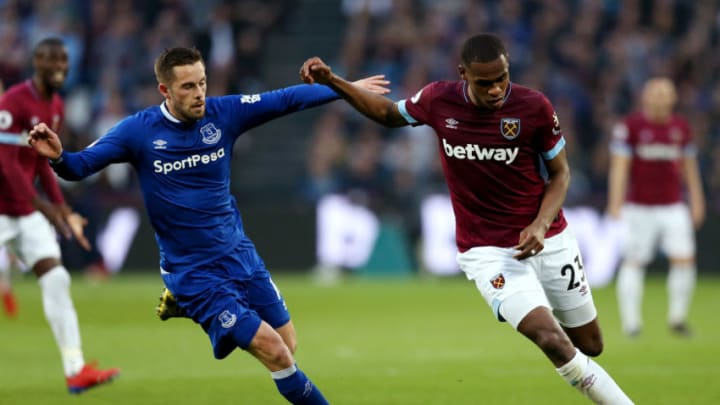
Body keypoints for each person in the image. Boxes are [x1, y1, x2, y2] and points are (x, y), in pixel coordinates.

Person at [29, 45, 389, 404]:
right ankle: (187, 299)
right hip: (194, 273)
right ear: (165, 91)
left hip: (238, 254)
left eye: (202, 83)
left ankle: (183, 306)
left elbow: (286, 99)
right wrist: (59, 157)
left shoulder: (223, 114)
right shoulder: (138, 132)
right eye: (187, 87)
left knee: (288, 345)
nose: (199, 93)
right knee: (276, 353)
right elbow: (80, 167)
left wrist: (346, 87)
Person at [300, 33, 634, 404]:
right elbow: (386, 113)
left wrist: (540, 224)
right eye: (485, 83)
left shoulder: (534, 107)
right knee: (550, 339)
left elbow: (560, 174)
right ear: (463, 74)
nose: (495, 90)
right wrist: (333, 80)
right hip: (487, 250)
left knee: (591, 344)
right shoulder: (437, 100)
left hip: (549, 238)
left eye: (501, 79)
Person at [0, 37, 120, 393]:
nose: (60, 69)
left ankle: (75, 370)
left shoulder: (55, 105)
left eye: (64, 63)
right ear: (37, 65)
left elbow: (41, 163)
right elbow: (5, 166)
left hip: (25, 212)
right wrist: (47, 208)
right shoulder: (13, 103)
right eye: (53, 63)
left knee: (57, 280)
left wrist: (62, 210)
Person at [607, 77, 705, 338]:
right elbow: (620, 167)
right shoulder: (631, 127)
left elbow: (689, 168)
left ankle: (677, 318)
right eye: (656, 93)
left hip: (673, 206)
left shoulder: (681, 128)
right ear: (645, 97)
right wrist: (615, 203)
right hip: (639, 208)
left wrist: (697, 201)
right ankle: (631, 323)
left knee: (684, 259)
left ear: (673, 99)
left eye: (666, 93)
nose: (661, 98)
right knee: (634, 261)